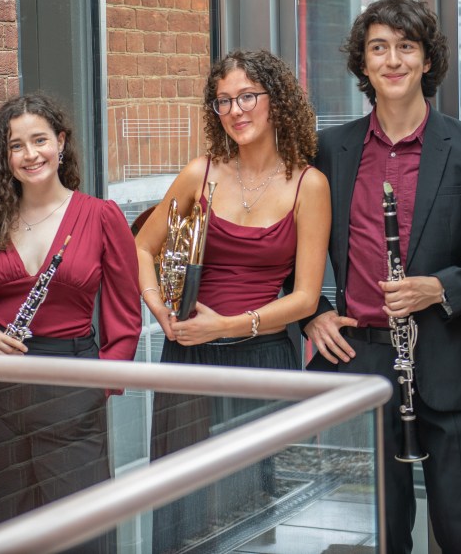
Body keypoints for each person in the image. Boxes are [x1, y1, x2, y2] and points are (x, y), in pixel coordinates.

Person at [303, 0, 461, 554]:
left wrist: (438, 287)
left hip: (448, 362)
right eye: (378, 48)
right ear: (363, 63)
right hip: (362, 365)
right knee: (380, 534)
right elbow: (289, 249)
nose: (393, 59)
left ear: (427, 60)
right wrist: (313, 314)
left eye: (406, 47)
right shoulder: (330, 149)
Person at [134, 48, 330, 551]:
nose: (235, 111)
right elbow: (140, 247)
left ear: (275, 100)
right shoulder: (200, 173)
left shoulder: (309, 185)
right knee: (182, 510)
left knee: (247, 516)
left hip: (261, 362)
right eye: (223, 101)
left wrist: (225, 325)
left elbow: (305, 298)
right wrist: (158, 309)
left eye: (247, 97)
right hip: (188, 358)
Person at [0, 93, 141, 553]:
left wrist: (100, 385)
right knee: (8, 526)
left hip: (72, 384)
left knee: (82, 529)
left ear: (61, 142)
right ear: (4, 156)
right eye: (16, 145)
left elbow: (125, 316)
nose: (30, 155)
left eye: (40, 140)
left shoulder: (100, 216)